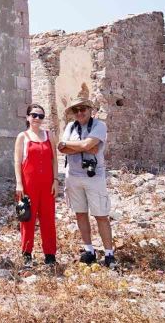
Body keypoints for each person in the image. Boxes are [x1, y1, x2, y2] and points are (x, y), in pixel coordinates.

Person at [57, 97, 116, 268]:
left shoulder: (99, 126)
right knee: (80, 214)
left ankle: (109, 254)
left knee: (101, 216)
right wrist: (83, 146)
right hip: (73, 177)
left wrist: (72, 145)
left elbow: (90, 145)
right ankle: (89, 250)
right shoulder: (70, 126)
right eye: (76, 110)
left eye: (83, 109)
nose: (80, 113)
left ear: (91, 111)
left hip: (94, 177)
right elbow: (62, 149)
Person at [13, 103, 58, 267]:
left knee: (48, 218)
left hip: (47, 184)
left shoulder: (49, 135)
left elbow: (54, 160)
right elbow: (17, 161)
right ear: (28, 117)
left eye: (40, 116)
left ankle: (50, 254)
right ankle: (26, 253)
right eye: (34, 115)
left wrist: (56, 180)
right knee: (27, 218)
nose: (37, 118)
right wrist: (19, 183)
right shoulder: (22, 137)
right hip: (28, 184)